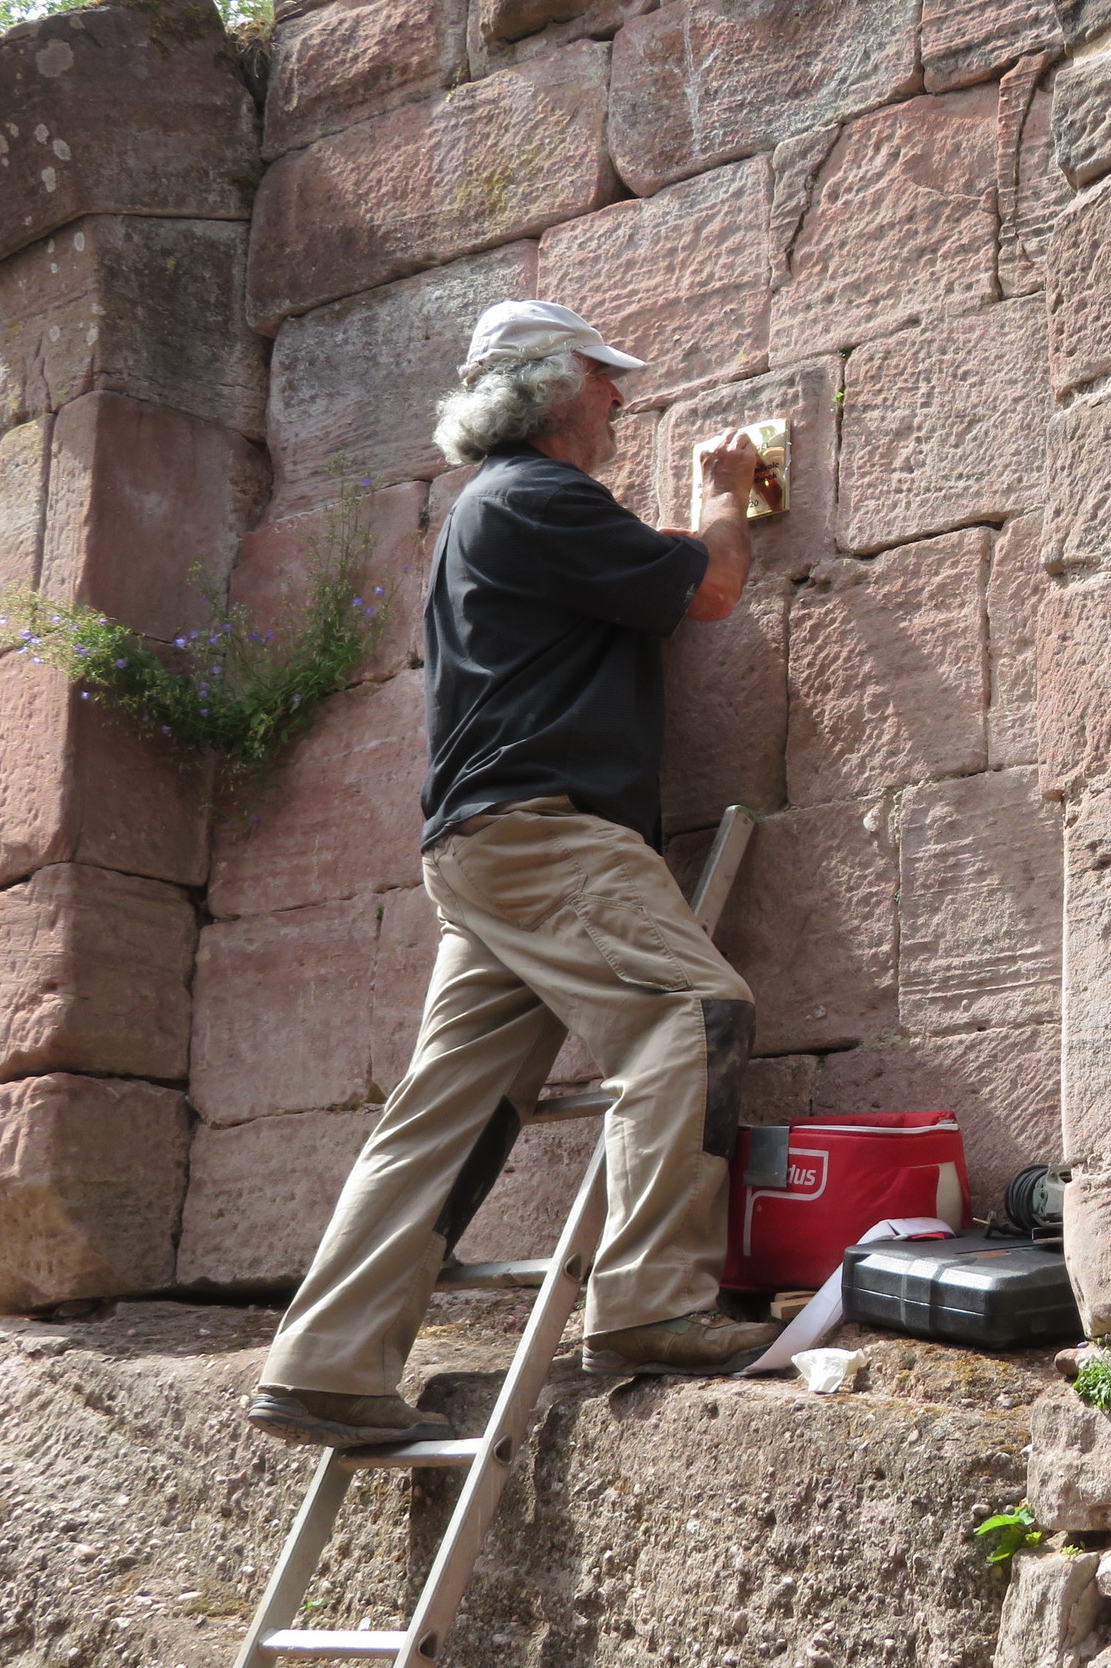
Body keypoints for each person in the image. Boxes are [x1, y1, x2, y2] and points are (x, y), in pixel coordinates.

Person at [248, 300, 782, 1450]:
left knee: (447, 1111)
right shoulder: (540, 496)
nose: (618, 397)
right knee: (695, 1013)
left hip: (481, 849)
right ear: (548, 389)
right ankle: (649, 1305)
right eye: (602, 376)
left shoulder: (484, 512)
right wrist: (725, 496)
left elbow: (643, 590)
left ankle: (326, 1366)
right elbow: (711, 588)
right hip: (548, 836)